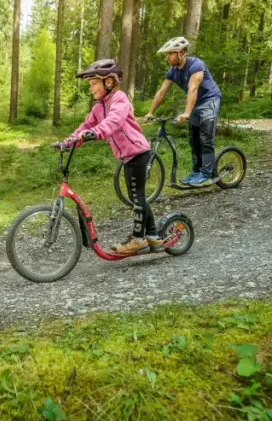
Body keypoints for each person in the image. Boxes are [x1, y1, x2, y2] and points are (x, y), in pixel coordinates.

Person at [59, 59, 160, 256]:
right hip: (128, 157)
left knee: (137, 196)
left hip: (138, 152)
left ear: (109, 82)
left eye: (94, 84)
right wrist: (68, 141)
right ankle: (153, 237)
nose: (91, 89)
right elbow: (85, 126)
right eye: (90, 85)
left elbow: (113, 121)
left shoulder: (119, 99)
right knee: (135, 196)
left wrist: (95, 133)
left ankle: (138, 240)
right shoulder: (98, 107)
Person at [144, 36, 222, 187]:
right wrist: (151, 112)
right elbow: (161, 92)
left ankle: (206, 174)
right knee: (193, 139)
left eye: (170, 53)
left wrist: (186, 113)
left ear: (182, 53)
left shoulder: (196, 65)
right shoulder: (173, 71)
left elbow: (193, 89)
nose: (167, 57)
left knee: (205, 138)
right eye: (167, 54)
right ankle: (196, 171)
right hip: (195, 104)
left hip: (210, 100)